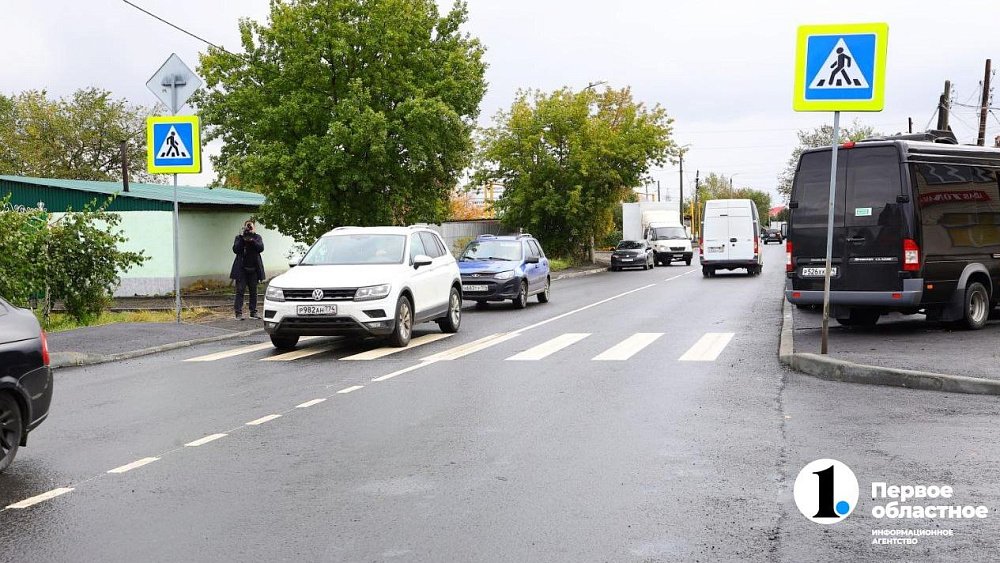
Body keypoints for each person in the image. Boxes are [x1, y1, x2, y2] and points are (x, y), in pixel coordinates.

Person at [231, 220, 265, 320]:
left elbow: (261, 248)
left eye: (251, 227)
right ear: (244, 227)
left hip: (254, 269)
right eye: (247, 226)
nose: (249, 228)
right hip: (242, 269)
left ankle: (253, 312)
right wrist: (243, 239)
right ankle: (238, 313)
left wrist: (252, 240)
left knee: (254, 291)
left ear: (254, 228)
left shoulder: (257, 237)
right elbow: (235, 250)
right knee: (240, 291)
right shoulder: (239, 237)